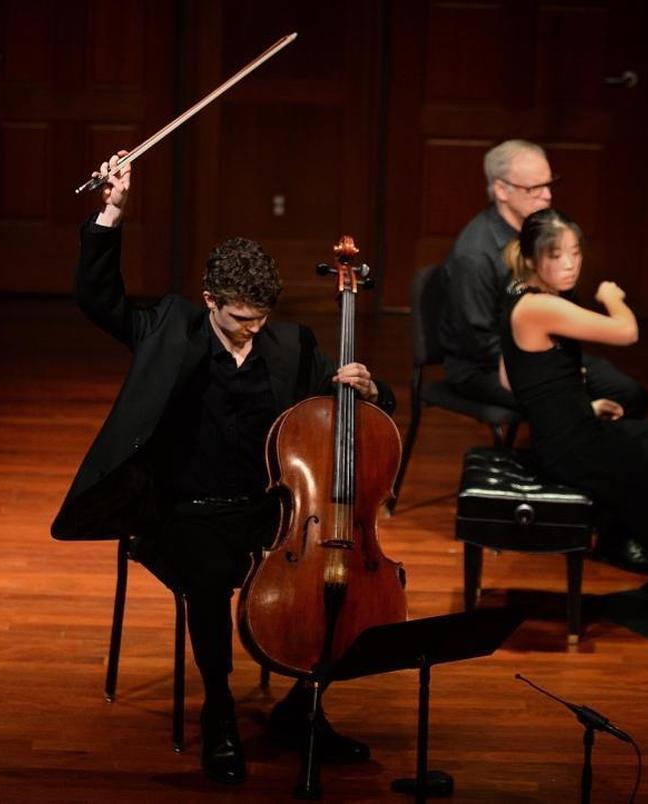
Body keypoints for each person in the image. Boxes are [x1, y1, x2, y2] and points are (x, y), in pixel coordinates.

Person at [51, 152, 394, 785]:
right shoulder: (166, 328)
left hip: (270, 512)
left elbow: (358, 415)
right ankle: (220, 711)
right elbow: (97, 298)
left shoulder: (291, 346)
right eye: (240, 319)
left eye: (260, 318)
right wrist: (111, 212)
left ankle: (303, 708)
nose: (251, 331)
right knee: (208, 581)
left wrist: (366, 390)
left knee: (335, 580)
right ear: (211, 300)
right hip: (183, 508)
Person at [498, 208, 648, 630]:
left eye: (575, 253)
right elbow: (626, 333)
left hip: (581, 429)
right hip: (573, 450)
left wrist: (582, 406)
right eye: (557, 255)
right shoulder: (537, 305)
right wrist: (613, 298)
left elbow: (525, 376)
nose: (571, 263)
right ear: (532, 258)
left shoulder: (531, 294)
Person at [438, 139, 648, 419]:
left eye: (549, 184)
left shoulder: (537, 232)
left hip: (541, 349)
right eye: (534, 188)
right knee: (574, 406)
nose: (547, 195)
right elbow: (478, 341)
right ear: (501, 189)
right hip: (486, 367)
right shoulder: (475, 254)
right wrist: (549, 369)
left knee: (629, 394)